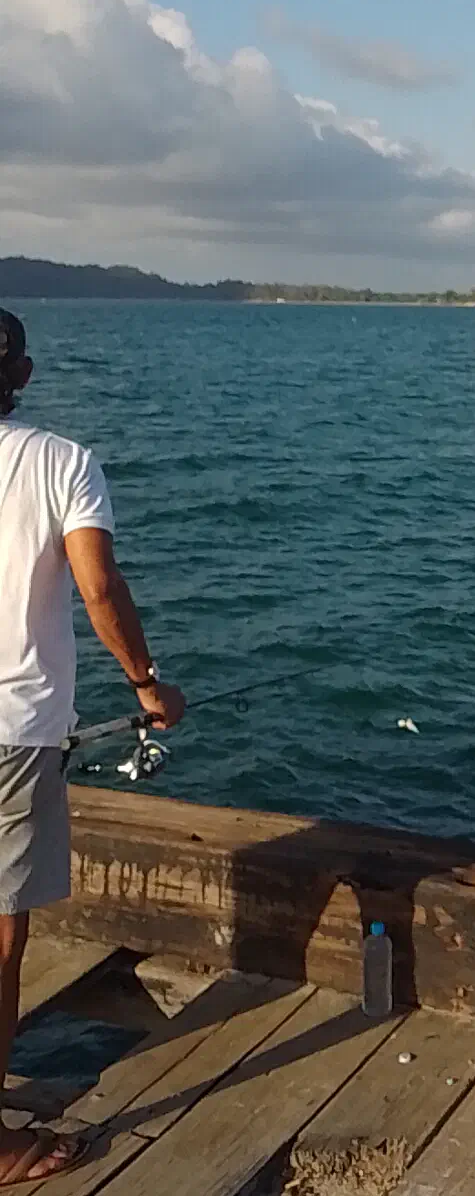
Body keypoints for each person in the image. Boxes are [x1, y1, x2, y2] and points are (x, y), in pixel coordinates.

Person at [0, 312, 180, 1181]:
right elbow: (98, 585)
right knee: (0, 939)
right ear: (22, 373)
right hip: (12, 736)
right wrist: (147, 685)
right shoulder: (60, 462)